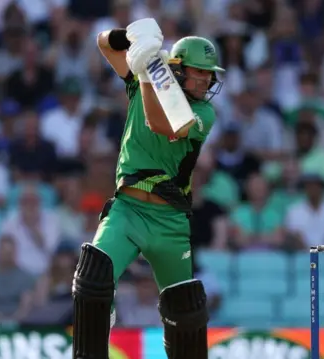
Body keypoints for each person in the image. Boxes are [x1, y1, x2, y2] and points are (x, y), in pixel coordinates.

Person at [72, 18, 224, 359]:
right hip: (128, 211)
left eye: (209, 73)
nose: (206, 79)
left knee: (185, 311)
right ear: (179, 69)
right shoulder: (145, 76)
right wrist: (131, 39)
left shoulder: (204, 113)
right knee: (93, 277)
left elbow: (162, 121)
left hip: (170, 223)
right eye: (199, 71)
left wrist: (144, 71)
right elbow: (103, 44)